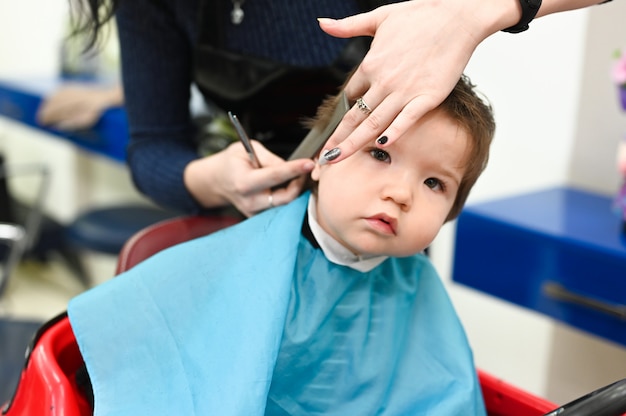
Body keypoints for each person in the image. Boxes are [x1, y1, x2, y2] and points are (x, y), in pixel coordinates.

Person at [66, 72, 496, 415]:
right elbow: (137, 357)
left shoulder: (417, 285)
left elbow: (445, 397)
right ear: (324, 159)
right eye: (380, 153)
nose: (401, 193)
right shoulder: (247, 258)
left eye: (434, 182)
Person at [73, 0, 608, 218]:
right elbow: (153, 147)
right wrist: (207, 179)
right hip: (247, 222)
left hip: (374, 240)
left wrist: (479, 9)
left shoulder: (397, 197)